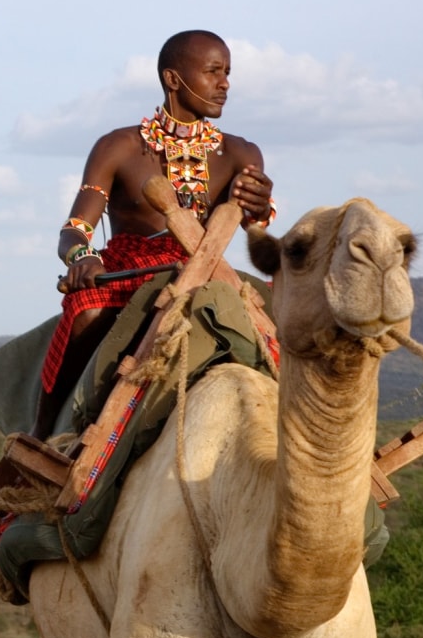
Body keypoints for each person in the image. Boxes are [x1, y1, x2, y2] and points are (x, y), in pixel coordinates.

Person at [36, 29, 277, 438]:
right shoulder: (119, 147)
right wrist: (82, 258)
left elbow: (259, 240)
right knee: (87, 313)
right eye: (213, 72)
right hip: (126, 276)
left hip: (207, 275)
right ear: (173, 79)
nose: (225, 84)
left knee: (284, 320)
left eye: (228, 73)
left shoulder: (242, 153)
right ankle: (44, 437)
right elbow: (75, 231)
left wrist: (259, 209)